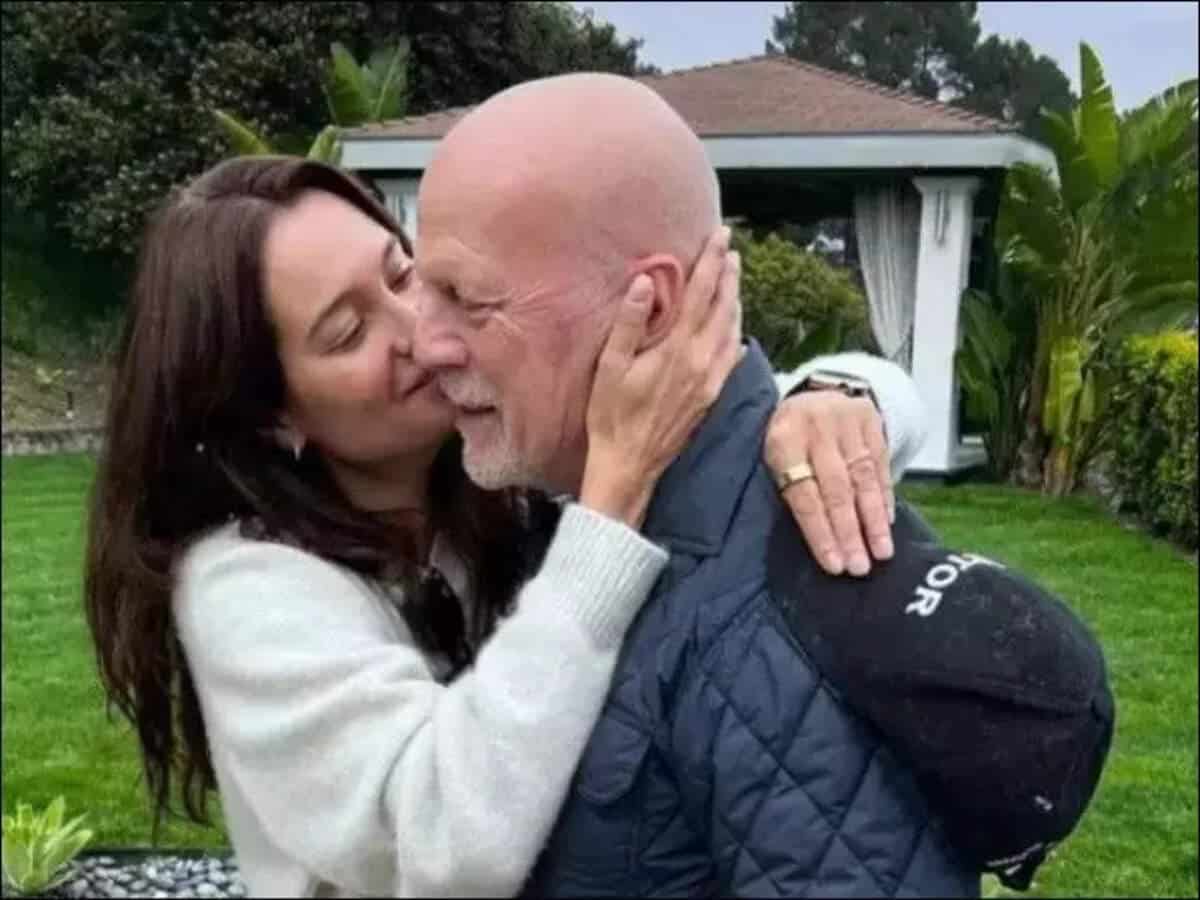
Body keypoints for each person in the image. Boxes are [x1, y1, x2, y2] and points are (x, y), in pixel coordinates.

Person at [83, 156, 929, 898]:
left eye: (403, 274)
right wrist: (612, 498)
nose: (420, 333)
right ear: (270, 418)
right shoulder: (247, 586)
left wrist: (833, 400)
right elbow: (448, 841)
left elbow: (862, 398)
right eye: (349, 331)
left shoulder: (488, 466)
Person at [412, 73, 1113, 896]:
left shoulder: (755, 616)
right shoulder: (568, 499)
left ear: (652, 306)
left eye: (467, 299)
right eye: (418, 288)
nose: (425, 344)